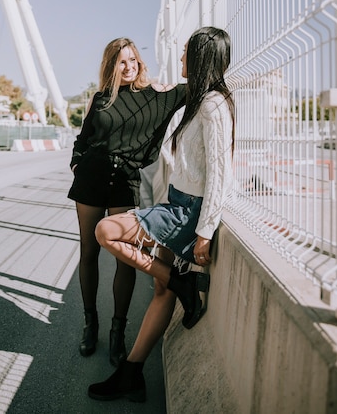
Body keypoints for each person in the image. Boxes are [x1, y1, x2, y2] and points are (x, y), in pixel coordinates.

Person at [87, 26, 235, 402]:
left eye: (186, 53)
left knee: (106, 231)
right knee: (160, 288)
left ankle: (180, 281)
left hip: (187, 212)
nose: (180, 58)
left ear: (201, 58)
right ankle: (132, 373)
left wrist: (205, 231)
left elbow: (221, 171)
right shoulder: (200, 101)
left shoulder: (214, 105)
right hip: (175, 202)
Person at [67, 37, 186, 367]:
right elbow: (82, 139)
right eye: (122, 61)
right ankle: (91, 324)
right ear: (111, 66)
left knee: (126, 257)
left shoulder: (155, 96)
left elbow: (193, 89)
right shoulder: (100, 99)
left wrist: (170, 86)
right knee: (88, 251)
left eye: (133, 60)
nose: (130, 66)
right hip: (91, 178)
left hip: (124, 181)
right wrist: (77, 162)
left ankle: (118, 331)